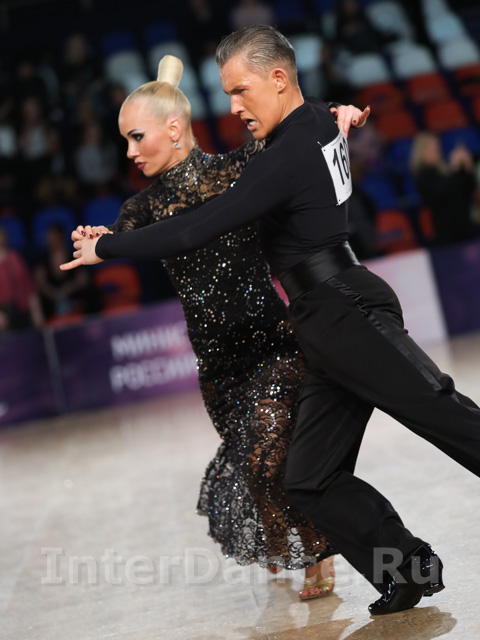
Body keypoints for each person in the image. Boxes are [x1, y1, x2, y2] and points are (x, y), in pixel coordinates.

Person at [61, 26, 474, 617]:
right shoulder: (309, 127)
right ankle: (406, 569)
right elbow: (315, 117)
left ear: (278, 79)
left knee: (440, 412)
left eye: (240, 90)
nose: (232, 107)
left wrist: (105, 249)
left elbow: (194, 227)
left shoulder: (287, 151)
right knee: (309, 480)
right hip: (317, 319)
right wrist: (338, 112)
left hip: (344, 306)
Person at [65, 55, 369, 599]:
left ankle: (316, 554)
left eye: (136, 137)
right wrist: (98, 240)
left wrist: (334, 113)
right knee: (257, 471)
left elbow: (295, 131)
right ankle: (290, 542)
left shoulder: (238, 168)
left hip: (273, 345)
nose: (129, 152)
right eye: (125, 141)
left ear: (173, 128)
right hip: (218, 367)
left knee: (268, 457)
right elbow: (119, 236)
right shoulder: (141, 208)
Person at [410, 131, 478, 246]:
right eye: (432, 149)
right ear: (422, 152)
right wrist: (454, 169)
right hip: (447, 235)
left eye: (438, 148)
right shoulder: (423, 176)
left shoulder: (444, 171)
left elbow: (468, 188)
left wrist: (467, 169)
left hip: (465, 228)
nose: (437, 152)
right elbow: (443, 191)